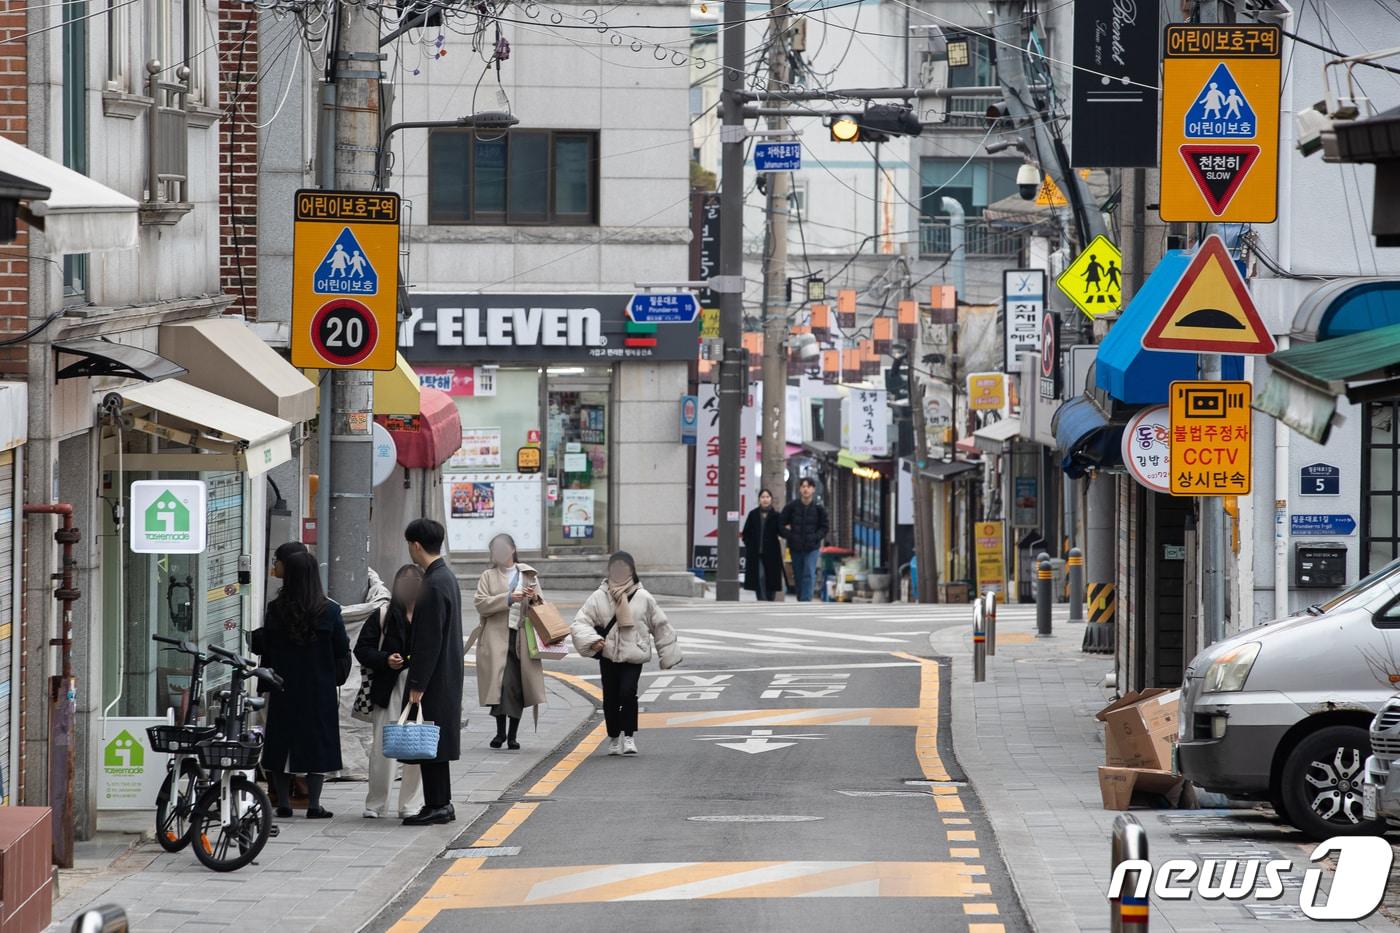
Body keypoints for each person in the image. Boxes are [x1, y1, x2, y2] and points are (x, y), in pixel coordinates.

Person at [252, 549, 350, 820]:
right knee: (317, 742)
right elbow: (342, 648)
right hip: (318, 689)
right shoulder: (329, 610)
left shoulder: (276, 610)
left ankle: (283, 803)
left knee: (281, 742)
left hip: (283, 687)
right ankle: (314, 804)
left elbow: (267, 649)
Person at [570, 552, 681, 756]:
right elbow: (580, 622)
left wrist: (668, 655)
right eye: (616, 567)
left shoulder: (643, 597)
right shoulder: (598, 596)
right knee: (610, 698)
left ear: (632, 570)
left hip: (634, 654)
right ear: (610, 570)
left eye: (624, 567)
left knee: (628, 693)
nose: (620, 571)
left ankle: (629, 736)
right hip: (607, 654)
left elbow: (660, 625)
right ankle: (613, 737)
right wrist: (592, 641)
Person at [402, 518, 463, 826]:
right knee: (433, 740)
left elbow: (428, 639)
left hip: (434, 677)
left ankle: (438, 804)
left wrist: (417, 683)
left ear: (415, 545)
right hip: (446, 674)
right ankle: (440, 802)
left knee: (429, 738)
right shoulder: (445, 577)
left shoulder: (433, 584)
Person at [355, 564, 425, 819]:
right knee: (383, 748)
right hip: (389, 685)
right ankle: (375, 803)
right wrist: (386, 659)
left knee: (417, 746)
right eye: (404, 582)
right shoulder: (384, 614)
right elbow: (362, 650)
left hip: (420, 685)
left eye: (415, 581)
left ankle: (410, 805)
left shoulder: (428, 614)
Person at [470, 533, 547, 751]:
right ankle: (500, 732)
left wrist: (531, 598)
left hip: (522, 637)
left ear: (512, 549)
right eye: (495, 549)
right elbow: (480, 604)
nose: (499, 553)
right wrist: (508, 598)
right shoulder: (488, 575)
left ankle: (511, 735)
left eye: (503, 548)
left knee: (517, 687)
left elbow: (541, 605)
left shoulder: (528, 574)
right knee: (499, 685)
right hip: (495, 637)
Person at [780, 477, 829, 602]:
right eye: (803, 486)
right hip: (795, 547)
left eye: (808, 487)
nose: (806, 489)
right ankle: (801, 597)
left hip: (812, 547)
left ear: (813, 489)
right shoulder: (792, 506)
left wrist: (815, 537)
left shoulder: (819, 508)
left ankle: (806, 600)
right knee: (798, 574)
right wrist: (790, 536)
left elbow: (824, 527)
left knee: (809, 571)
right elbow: (780, 524)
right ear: (800, 489)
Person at [741, 490, 784, 601]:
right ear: (759, 499)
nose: (765, 499)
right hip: (756, 552)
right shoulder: (753, 514)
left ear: (771, 499)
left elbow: (781, 531)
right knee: (759, 576)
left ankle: (770, 598)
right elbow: (746, 533)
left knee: (771, 578)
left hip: (772, 553)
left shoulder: (776, 516)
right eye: (763, 497)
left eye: (767, 497)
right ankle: (762, 599)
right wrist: (749, 544)